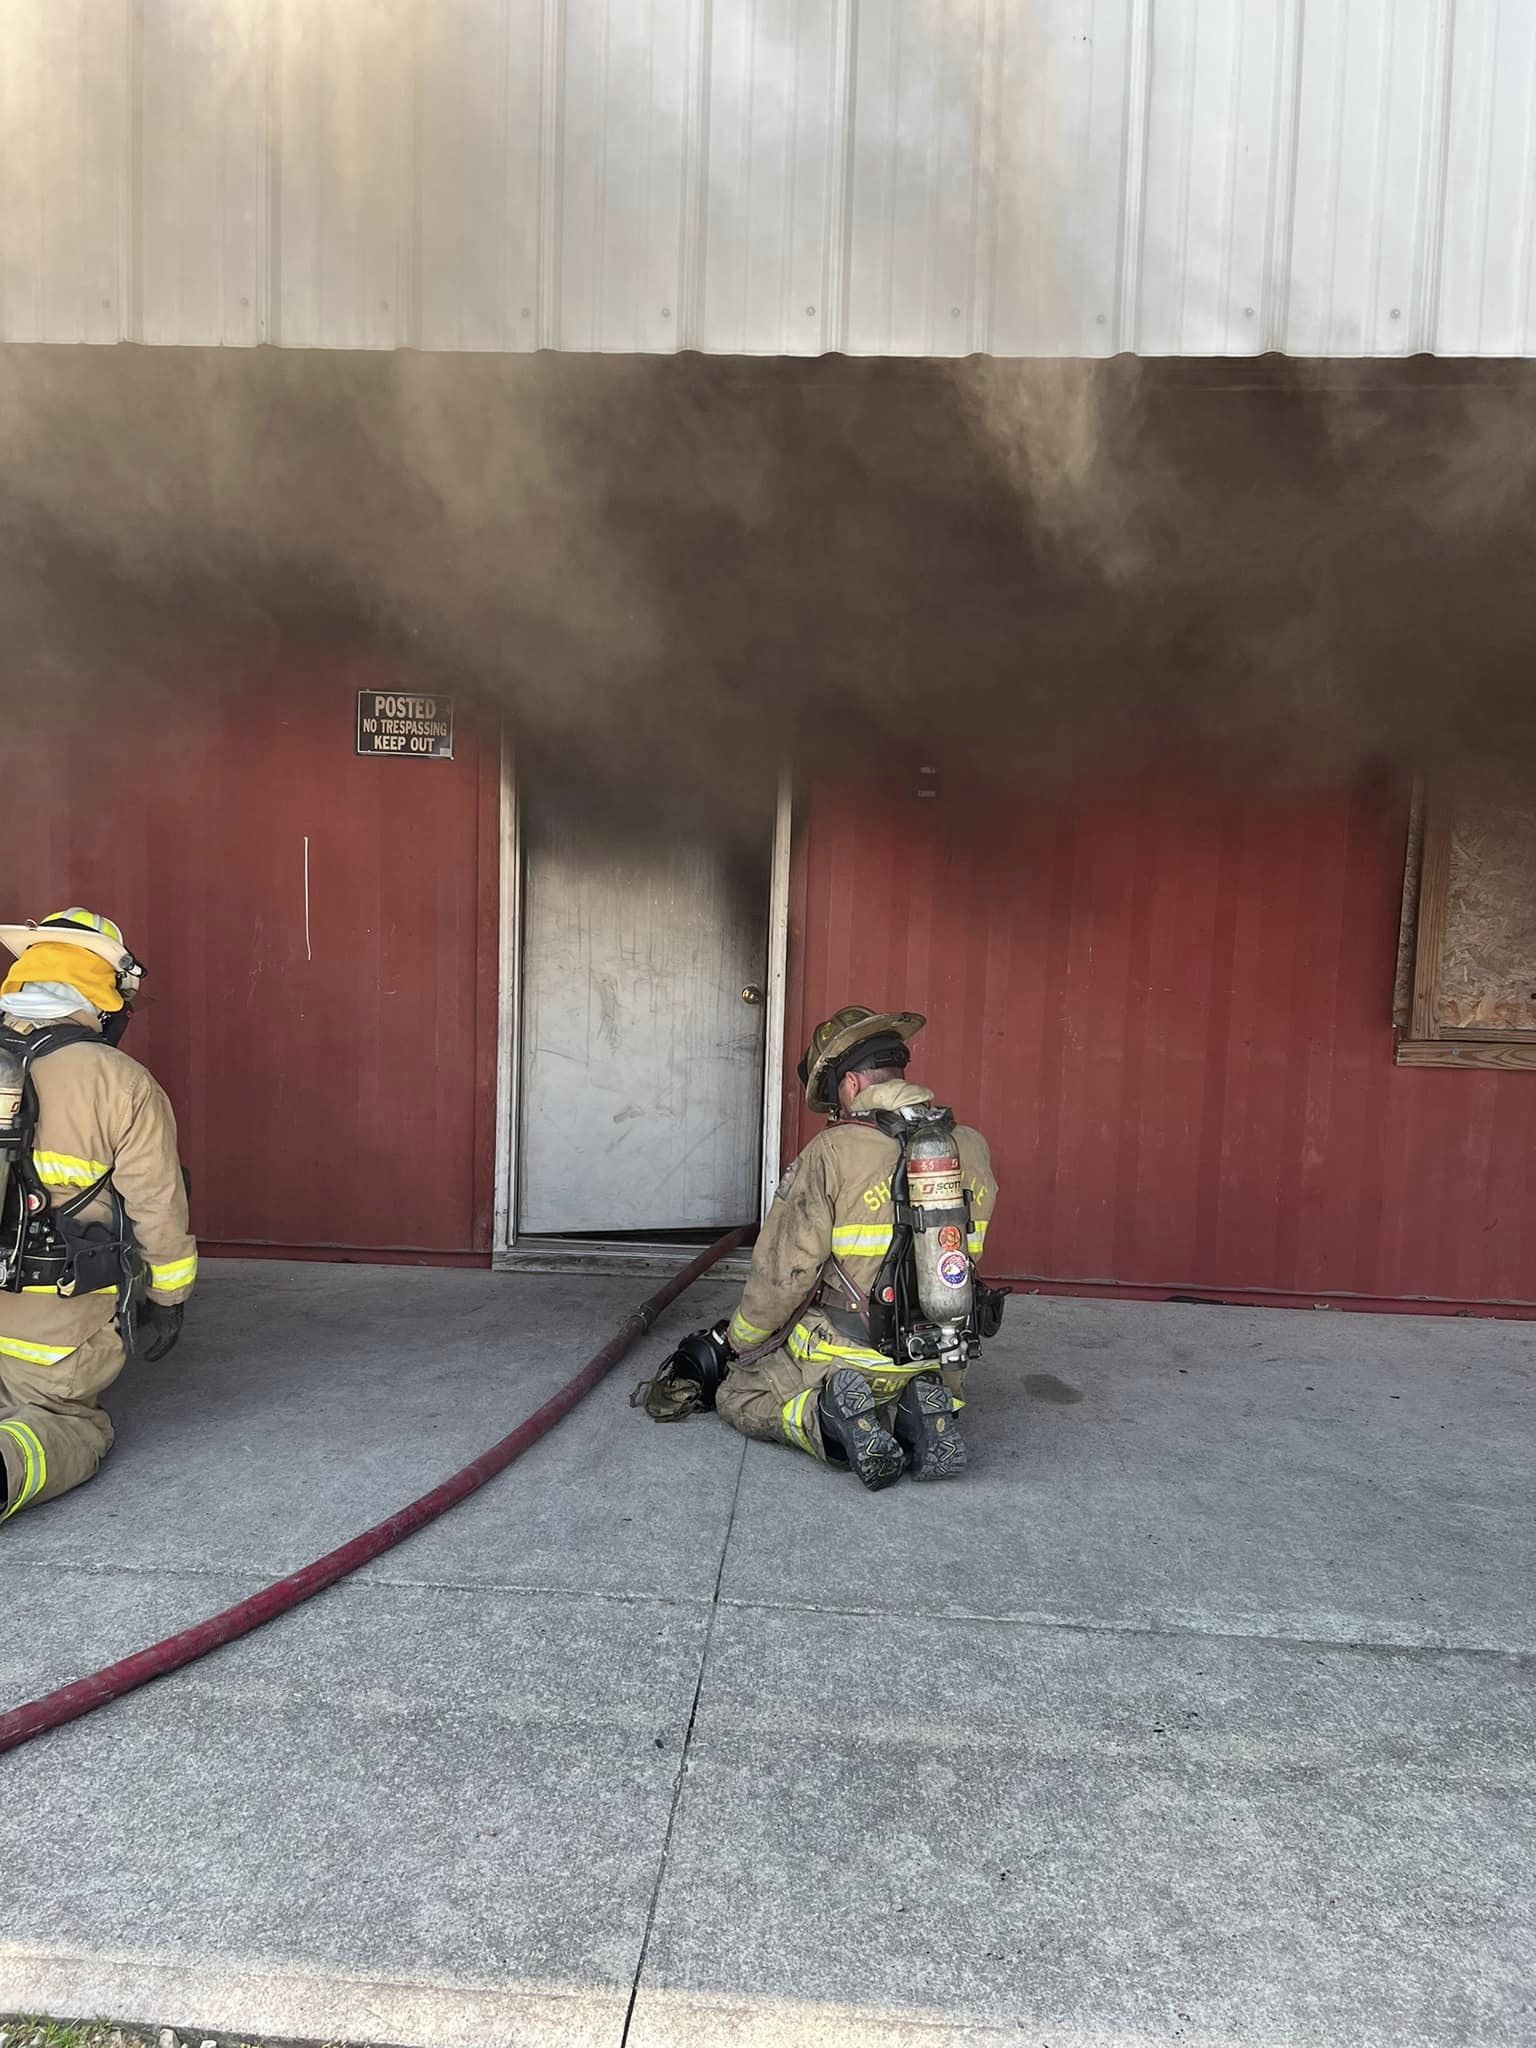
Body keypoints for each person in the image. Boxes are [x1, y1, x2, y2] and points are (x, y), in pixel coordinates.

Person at [715, 1005, 998, 1490]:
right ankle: (920, 1407)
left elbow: (785, 1272)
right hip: (939, 1351)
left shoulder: (833, 1150)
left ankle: (827, 1416)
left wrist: (740, 1342)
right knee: (903, 1394)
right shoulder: (968, 1145)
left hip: (845, 1355)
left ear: (849, 1085)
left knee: (737, 1396)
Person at [0, 909, 196, 1524]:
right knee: (68, 1425)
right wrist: (168, 1299)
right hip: (49, 1325)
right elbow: (158, 1209)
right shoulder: (121, 1082)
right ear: (105, 995)